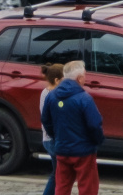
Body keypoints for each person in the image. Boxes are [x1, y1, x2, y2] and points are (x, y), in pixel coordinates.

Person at [38, 61, 103, 195]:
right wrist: (97, 141)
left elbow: (45, 120)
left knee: (62, 186)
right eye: (85, 75)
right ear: (79, 78)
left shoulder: (51, 96)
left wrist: (56, 136)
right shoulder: (84, 98)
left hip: (62, 149)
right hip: (83, 151)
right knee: (87, 188)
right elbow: (94, 124)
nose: (86, 78)